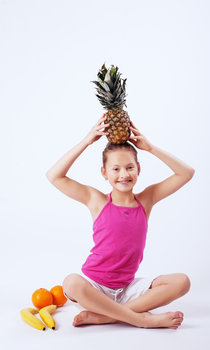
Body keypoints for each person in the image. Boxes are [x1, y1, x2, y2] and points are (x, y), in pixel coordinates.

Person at [46, 114, 195, 329]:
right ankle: (140, 319)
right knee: (71, 283)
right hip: (94, 290)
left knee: (182, 282)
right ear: (104, 173)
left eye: (129, 167)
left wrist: (151, 148)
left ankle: (105, 317)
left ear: (138, 169)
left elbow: (186, 173)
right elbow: (54, 176)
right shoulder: (96, 200)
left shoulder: (146, 200)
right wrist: (87, 141)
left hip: (127, 290)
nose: (123, 174)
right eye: (115, 169)